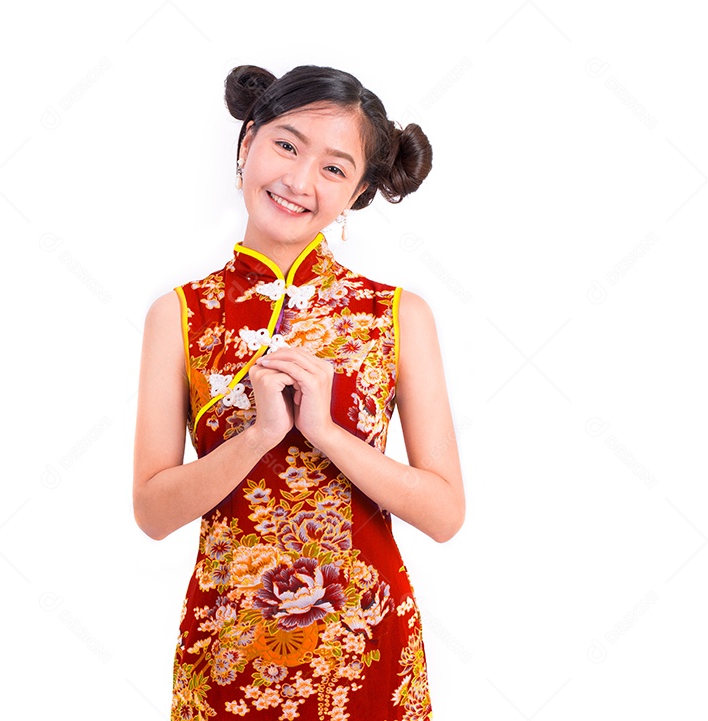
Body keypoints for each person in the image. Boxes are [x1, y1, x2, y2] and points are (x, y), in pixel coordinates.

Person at [132, 64, 464, 721]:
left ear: (359, 191)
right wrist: (258, 436)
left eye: (335, 168)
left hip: (368, 652)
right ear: (247, 140)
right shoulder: (180, 314)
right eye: (286, 144)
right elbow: (152, 510)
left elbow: (444, 512)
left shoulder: (397, 314)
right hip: (227, 654)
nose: (299, 181)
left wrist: (327, 433)